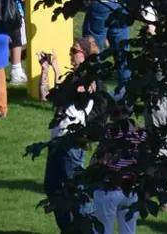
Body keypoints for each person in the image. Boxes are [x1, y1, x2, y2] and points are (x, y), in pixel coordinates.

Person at [39, 38, 98, 232]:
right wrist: (47, 70)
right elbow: (46, 96)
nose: (71, 54)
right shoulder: (71, 77)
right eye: (71, 50)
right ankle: (68, 228)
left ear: (86, 56)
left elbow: (80, 97)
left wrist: (59, 73)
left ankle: (87, 230)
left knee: (76, 191)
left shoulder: (90, 79)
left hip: (72, 142)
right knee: (52, 187)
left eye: (75, 51)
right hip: (56, 139)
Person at [92, 102, 145, 234]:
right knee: (128, 230)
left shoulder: (109, 132)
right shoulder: (140, 133)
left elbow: (97, 161)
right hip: (131, 189)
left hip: (109, 188)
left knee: (103, 230)